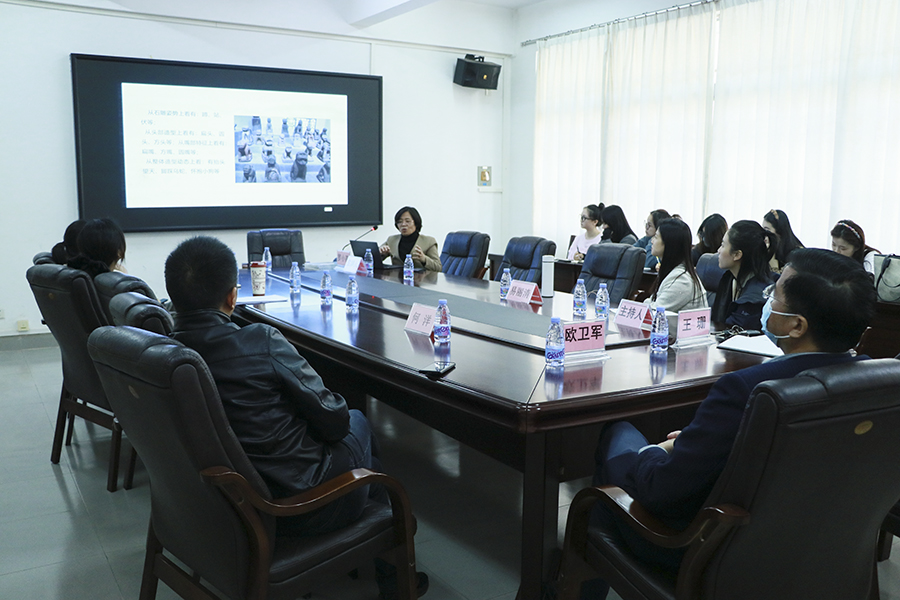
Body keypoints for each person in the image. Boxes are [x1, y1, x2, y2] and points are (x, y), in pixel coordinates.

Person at [585, 248, 875, 598]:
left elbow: (661, 492)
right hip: (823, 553)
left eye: (774, 295)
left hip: (703, 554)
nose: (766, 300)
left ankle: (578, 584)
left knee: (617, 436)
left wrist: (657, 450)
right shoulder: (876, 384)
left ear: (797, 325)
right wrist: (698, 443)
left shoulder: (746, 390)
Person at [164, 236, 428, 598]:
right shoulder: (261, 341)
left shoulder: (166, 351)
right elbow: (335, 422)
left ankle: (384, 557)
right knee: (358, 423)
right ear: (232, 296)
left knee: (365, 456)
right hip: (296, 507)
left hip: (223, 503)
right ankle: (391, 563)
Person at [711, 220, 775, 330]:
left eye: (723, 245)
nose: (718, 250)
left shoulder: (755, 299)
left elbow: (734, 329)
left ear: (737, 255)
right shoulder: (729, 279)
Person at [643, 219, 707, 313]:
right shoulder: (672, 272)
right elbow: (652, 303)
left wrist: (646, 303)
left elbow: (653, 312)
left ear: (668, 243)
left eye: (656, 237)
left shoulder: (683, 280)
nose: (652, 241)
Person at [379, 206, 442, 272]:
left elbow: (438, 268)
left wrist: (424, 259)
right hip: (396, 277)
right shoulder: (392, 240)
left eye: (407, 221)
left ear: (416, 223)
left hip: (420, 278)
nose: (403, 224)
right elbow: (374, 258)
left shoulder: (428, 241)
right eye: (400, 221)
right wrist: (382, 255)